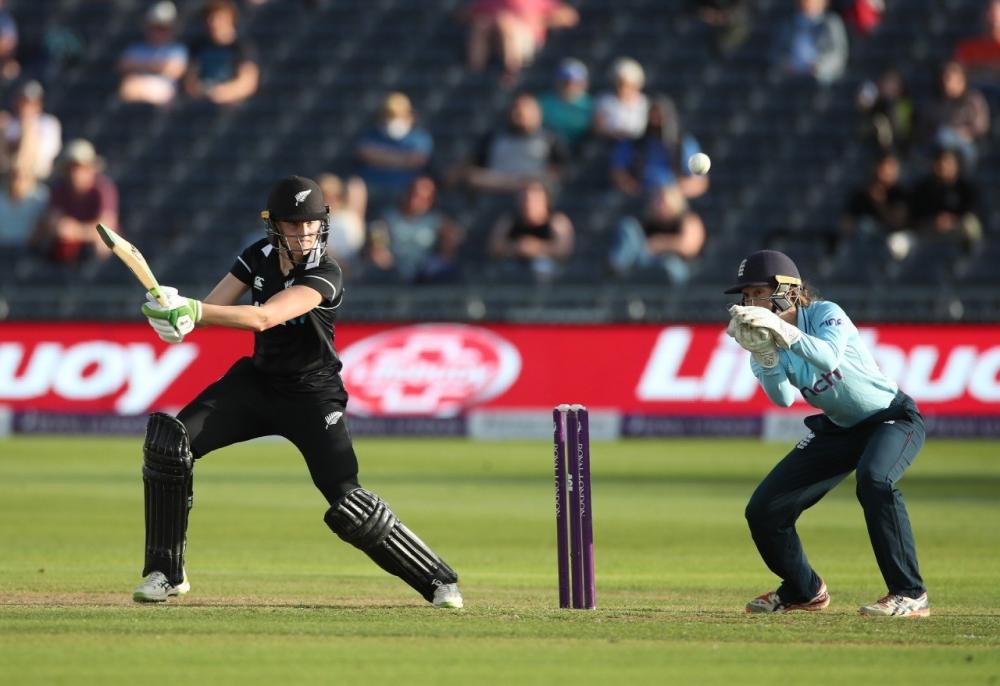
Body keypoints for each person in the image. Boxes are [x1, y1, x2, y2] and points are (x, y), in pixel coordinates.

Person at [132, 175, 463, 609]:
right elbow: (214, 311)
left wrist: (193, 309)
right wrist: (175, 316)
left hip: (314, 394)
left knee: (348, 500)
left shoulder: (327, 271)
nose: (305, 234)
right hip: (257, 384)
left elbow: (263, 317)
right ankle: (165, 573)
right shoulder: (257, 257)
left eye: (311, 224)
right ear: (275, 226)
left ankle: (439, 581)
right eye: (294, 225)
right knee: (169, 444)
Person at [725, 249, 929, 617]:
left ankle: (909, 593)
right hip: (838, 430)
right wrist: (767, 358)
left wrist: (781, 331)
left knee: (875, 480)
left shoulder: (825, 313)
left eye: (756, 293)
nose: (749, 303)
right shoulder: (765, 341)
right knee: (764, 510)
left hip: (891, 418)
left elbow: (829, 357)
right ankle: (804, 591)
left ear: (786, 290)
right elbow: (783, 399)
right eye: (746, 296)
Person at [462, 93, 568, 195]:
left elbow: (560, 169)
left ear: (538, 113)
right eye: (516, 109)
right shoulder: (494, 137)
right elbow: (476, 162)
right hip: (495, 185)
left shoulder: (550, 138)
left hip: (530, 188)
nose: (520, 113)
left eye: (526, 109)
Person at [31, 139, 117, 263]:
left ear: (92, 169)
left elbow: (108, 228)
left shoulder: (103, 190)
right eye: (71, 168)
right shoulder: (59, 190)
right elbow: (52, 220)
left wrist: (76, 231)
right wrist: (60, 227)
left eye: (81, 168)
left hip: (92, 251)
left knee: (102, 245)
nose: (75, 173)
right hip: (65, 252)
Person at [367, 175, 464, 284]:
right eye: (415, 195)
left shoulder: (435, 220)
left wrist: (446, 249)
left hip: (424, 271)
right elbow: (378, 248)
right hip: (393, 270)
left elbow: (454, 237)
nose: (418, 201)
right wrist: (383, 256)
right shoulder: (386, 218)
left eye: (425, 198)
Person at [609, 95, 709, 199]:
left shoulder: (683, 143)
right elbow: (618, 171)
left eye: (660, 117)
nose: (656, 121)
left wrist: (674, 193)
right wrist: (634, 189)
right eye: (653, 116)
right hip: (643, 198)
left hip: (674, 200)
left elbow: (699, 182)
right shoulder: (635, 143)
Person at [608, 183, 705, 284]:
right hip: (646, 260)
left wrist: (660, 243)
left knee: (672, 265)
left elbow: (688, 247)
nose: (657, 204)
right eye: (656, 200)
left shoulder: (687, 219)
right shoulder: (648, 220)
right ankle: (617, 270)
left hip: (679, 266)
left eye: (661, 200)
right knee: (628, 226)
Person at [462, 0, 579, 83]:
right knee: (482, 24)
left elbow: (570, 17)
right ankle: (475, 72)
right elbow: (464, 15)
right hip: (495, 43)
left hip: (526, 43)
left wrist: (539, 20)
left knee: (506, 24)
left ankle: (511, 72)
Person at [487, 180, 573, 282]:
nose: (528, 203)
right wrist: (517, 247)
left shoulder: (557, 221)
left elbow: (563, 251)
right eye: (525, 198)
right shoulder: (510, 220)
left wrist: (536, 248)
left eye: (534, 199)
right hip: (514, 270)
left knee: (541, 266)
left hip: (549, 276)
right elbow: (494, 247)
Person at [353, 92, 433, 196]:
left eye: (399, 115)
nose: (394, 120)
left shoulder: (419, 138)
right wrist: (404, 159)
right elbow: (365, 153)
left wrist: (381, 156)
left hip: (406, 190)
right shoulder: (371, 135)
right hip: (372, 188)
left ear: (410, 116)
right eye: (389, 115)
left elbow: (418, 159)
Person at [183, 0, 259, 106]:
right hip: (202, 104)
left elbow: (248, 82)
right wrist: (203, 90)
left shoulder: (241, 47)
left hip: (231, 106)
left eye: (219, 18)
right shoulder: (198, 46)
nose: (214, 23)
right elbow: (190, 80)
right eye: (211, 18)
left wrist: (223, 93)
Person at [922, 61, 989, 172]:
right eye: (946, 79)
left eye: (951, 79)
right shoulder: (936, 102)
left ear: (962, 80)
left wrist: (964, 132)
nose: (947, 83)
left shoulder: (974, 100)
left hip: (967, 144)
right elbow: (928, 126)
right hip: (939, 144)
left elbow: (981, 127)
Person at [117, 1, 188, 106]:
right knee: (128, 86)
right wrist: (158, 66)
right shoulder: (136, 48)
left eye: (163, 27)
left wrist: (140, 66)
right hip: (138, 88)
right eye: (156, 26)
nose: (159, 31)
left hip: (164, 92)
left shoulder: (177, 49)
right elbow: (123, 66)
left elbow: (175, 70)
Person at [770, 0, 848, 85]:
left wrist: (818, 67)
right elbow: (776, 52)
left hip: (820, 80)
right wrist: (785, 64)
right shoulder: (789, 23)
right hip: (791, 77)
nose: (808, 2)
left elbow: (838, 54)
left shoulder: (831, 23)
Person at [3, 80, 62, 180]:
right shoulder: (8, 122)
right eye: (22, 101)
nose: (25, 106)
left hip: (38, 177)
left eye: (30, 102)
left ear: (39, 104)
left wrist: (27, 129)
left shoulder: (48, 123)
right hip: (8, 177)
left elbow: (45, 154)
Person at [537, 58, 593, 152]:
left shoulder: (591, 105)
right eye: (565, 81)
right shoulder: (544, 102)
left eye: (575, 82)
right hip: (549, 149)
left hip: (580, 148)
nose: (570, 86)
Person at [594, 57, 649, 141]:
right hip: (608, 144)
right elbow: (598, 127)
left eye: (627, 84)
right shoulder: (605, 101)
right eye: (620, 83)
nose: (623, 88)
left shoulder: (644, 102)